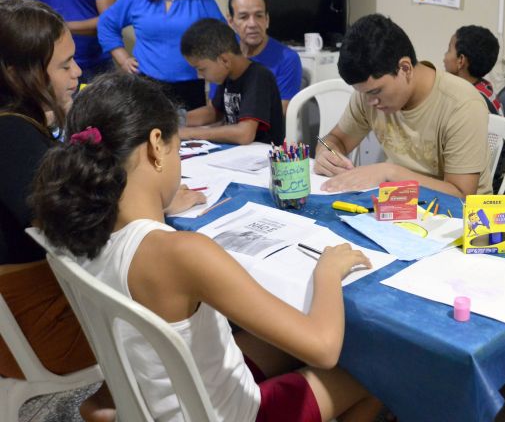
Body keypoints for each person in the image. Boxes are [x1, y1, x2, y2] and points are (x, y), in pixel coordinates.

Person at [30, 71, 383, 422]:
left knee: (269, 342)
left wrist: (160, 205)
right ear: (156, 145)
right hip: (226, 414)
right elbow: (323, 348)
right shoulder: (183, 253)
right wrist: (327, 271)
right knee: (375, 376)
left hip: (159, 398)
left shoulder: (75, 229)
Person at [0, 0, 114, 422]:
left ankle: (107, 403)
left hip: (25, 306)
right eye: (65, 65)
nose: (78, 71)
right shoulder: (11, 133)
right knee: (177, 303)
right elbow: (74, 227)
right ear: (18, 73)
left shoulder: (20, 121)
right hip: (34, 327)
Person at [314, 14, 492, 198]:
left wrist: (390, 174)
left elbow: (461, 195)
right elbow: (337, 139)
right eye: (363, 93)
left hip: (462, 218)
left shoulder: (462, 104)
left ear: (405, 68)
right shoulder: (368, 94)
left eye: (375, 92)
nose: (370, 102)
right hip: (400, 205)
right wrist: (325, 153)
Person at [97, 0, 225, 110]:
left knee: (189, 130)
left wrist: (215, 89)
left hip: (190, 87)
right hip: (146, 86)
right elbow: (106, 24)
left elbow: (223, 41)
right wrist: (123, 60)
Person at [180, 18, 284, 145]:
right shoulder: (228, 75)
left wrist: (191, 133)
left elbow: (244, 134)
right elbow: (214, 112)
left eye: (202, 69)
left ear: (224, 60)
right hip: (236, 152)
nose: (200, 75)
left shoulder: (259, 77)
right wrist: (175, 120)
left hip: (262, 155)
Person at [6, 0, 118, 84]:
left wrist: (59, 27)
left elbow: (110, 23)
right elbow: (17, 22)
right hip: (45, 66)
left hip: (96, 62)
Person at [211, 0, 302, 115]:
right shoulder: (222, 55)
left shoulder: (287, 59)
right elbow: (214, 110)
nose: (252, 24)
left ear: (267, 20)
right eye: (243, 17)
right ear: (230, 21)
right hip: (225, 130)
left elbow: (277, 114)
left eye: (259, 16)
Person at [443, 25, 503, 115]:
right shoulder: (485, 86)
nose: (444, 57)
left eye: (449, 50)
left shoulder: (467, 103)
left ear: (461, 60)